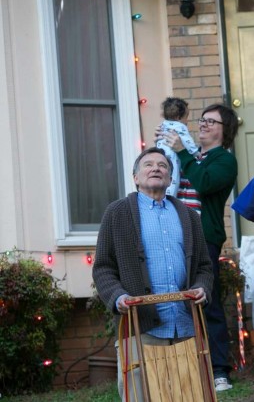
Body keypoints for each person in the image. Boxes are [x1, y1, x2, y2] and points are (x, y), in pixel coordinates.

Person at [92, 147, 213, 401]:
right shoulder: (116, 213)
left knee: (188, 396)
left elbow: (204, 265)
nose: (156, 168)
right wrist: (118, 297)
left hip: (185, 326)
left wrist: (203, 287)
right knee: (140, 396)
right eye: (148, 164)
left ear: (170, 178)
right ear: (135, 177)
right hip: (140, 326)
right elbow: (103, 267)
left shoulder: (189, 216)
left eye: (163, 165)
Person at [163, 103, 239, 391]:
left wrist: (183, 151)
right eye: (202, 120)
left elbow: (204, 183)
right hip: (173, 235)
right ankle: (184, 367)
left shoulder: (224, 160)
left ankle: (219, 371)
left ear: (225, 129)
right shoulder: (190, 154)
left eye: (211, 121)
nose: (203, 124)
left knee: (207, 301)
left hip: (202, 238)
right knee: (173, 300)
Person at [155, 97, 200, 197]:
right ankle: (171, 196)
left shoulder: (162, 125)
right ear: (178, 117)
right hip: (172, 154)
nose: (187, 121)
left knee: (163, 175)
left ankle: (161, 194)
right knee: (174, 177)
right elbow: (187, 141)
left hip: (161, 153)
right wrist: (196, 152)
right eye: (186, 117)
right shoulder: (180, 126)